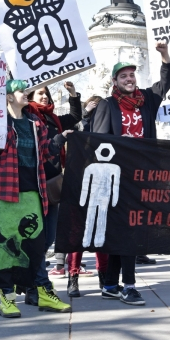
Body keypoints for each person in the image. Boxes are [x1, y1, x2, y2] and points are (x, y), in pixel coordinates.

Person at [92, 41, 170, 306]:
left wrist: (164, 57)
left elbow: (166, 82)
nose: (129, 79)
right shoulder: (107, 105)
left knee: (125, 230)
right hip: (118, 177)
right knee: (128, 231)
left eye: (132, 75)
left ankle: (110, 284)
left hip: (143, 175)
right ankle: (128, 285)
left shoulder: (147, 99)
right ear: (115, 81)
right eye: (124, 76)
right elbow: (98, 141)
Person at [0, 79, 72, 318]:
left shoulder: (35, 122)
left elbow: (46, 151)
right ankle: (6, 298)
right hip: (6, 191)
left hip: (33, 190)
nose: (26, 94)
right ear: (9, 96)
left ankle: (44, 292)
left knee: (35, 244)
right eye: (22, 91)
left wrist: (62, 136)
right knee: (4, 244)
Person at [23, 81, 84, 309]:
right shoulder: (27, 116)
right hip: (33, 184)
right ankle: (37, 286)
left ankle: (32, 283)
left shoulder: (53, 119)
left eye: (47, 93)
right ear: (29, 96)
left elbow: (75, 115)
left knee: (47, 238)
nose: (45, 97)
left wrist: (73, 93)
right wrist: (58, 141)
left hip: (54, 184)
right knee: (38, 238)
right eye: (40, 93)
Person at [66, 95, 108, 298]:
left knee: (102, 236)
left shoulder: (109, 129)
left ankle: (104, 275)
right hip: (80, 186)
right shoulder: (80, 129)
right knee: (77, 235)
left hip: (102, 189)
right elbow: (76, 140)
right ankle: (73, 277)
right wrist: (85, 116)